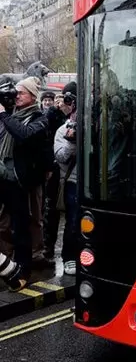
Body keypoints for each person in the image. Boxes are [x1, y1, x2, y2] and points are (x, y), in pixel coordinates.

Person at [0, 77, 50, 290]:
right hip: (3, 177)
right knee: (3, 224)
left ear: (32, 96)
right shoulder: (10, 115)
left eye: (21, 93)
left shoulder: (40, 118)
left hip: (20, 180)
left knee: (22, 226)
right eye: (14, 93)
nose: (16, 96)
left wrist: (3, 114)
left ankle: (23, 268)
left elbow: (24, 135)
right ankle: (6, 263)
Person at [43, 82, 76, 260]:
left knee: (75, 220)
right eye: (66, 99)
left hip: (80, 179)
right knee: (54, 214)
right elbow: (61, 155)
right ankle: (50, 250)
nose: (67, 104)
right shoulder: (55, 121)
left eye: (71, 100)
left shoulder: (89, 123)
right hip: (60, 175)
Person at [54, 95, 78, 276]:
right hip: (73, 182)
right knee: (72, 222)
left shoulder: (95, 128)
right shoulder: (63, 130)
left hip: (94, 182)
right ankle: (69, 257)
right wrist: (72, 142)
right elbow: (61, 157)